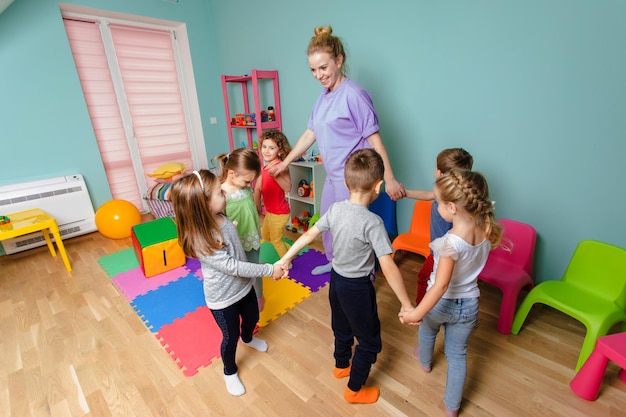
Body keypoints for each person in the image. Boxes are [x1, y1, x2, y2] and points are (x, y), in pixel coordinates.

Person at [277, 149, 414, 404]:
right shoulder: (373, 222)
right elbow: (388, 265)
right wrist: (407, 304)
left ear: (346, 182)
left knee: (341, 327)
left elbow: (308, 235)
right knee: (370, 341)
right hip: (358, 288)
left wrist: (285, 258)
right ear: (378, 186)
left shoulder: (335, 209)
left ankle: (341, 366)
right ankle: (354, 390)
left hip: (336, 282)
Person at [269, 26, 405, 276]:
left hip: (352, 178)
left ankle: (364, 274)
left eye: (324, 67)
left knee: (353, 230)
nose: (318, 75)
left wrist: (390, 178)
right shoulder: (323, 96)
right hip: (332, 176)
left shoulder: (354, 94)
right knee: (328, 224)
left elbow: (375, 140)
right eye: (313, 70)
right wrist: (284, 162)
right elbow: (310, 133)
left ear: (339, 60)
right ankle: (335, 263)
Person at [170, 169, 283, 397]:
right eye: (219, 193)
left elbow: (233, 246)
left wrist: (231, 225)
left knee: (252, 317)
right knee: (229, 337)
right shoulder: (201, 238)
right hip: (222, 298)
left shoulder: (221, 216)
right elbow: (233, 266)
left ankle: (248, 337)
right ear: (203, 204)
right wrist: (269, 269)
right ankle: (229, 371)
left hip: (243, 287)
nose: (225, 194)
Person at [399, 169, 502, 417]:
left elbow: (440, 285)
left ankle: (424, 362)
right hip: (469, 306)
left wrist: (416, 313)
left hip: (440, 304)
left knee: (427, 330)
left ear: (452, 208)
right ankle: (452, 408)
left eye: (438, 203)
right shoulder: (486, 231)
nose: (436, 207)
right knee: (458, 355)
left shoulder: (450, 242)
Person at [403, 148, 473, 304]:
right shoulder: (457, 195)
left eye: (436, 167)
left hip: (440, 255)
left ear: (440, 174)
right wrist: (405, 193)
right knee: (444, 282)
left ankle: (423, 306)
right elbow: (429, 195)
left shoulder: (452, 204)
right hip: (444, 254)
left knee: (426, 279)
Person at [213, 147, 266, 311]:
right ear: (231, 174)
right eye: (247, 181)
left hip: (251, 237)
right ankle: (240, 298)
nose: (250, 185)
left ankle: (259, 295)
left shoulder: (244, 187)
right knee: (238, 272)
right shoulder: (221, 195)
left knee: (255, 267)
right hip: (235, 241)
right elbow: (217, 221)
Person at [253, 129, 292, 261]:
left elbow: (288, 187)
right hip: (270, 212)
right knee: (267, 236)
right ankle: (290, 251)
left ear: (280, 151)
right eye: (264, 147)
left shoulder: (281, 166)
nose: (266, 151)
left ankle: (286, 263)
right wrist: (257, 207)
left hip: (280, 212)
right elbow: (258, 189)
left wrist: (275, 175)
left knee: (276, 240)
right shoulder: (264, 168)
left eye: (271, 148)